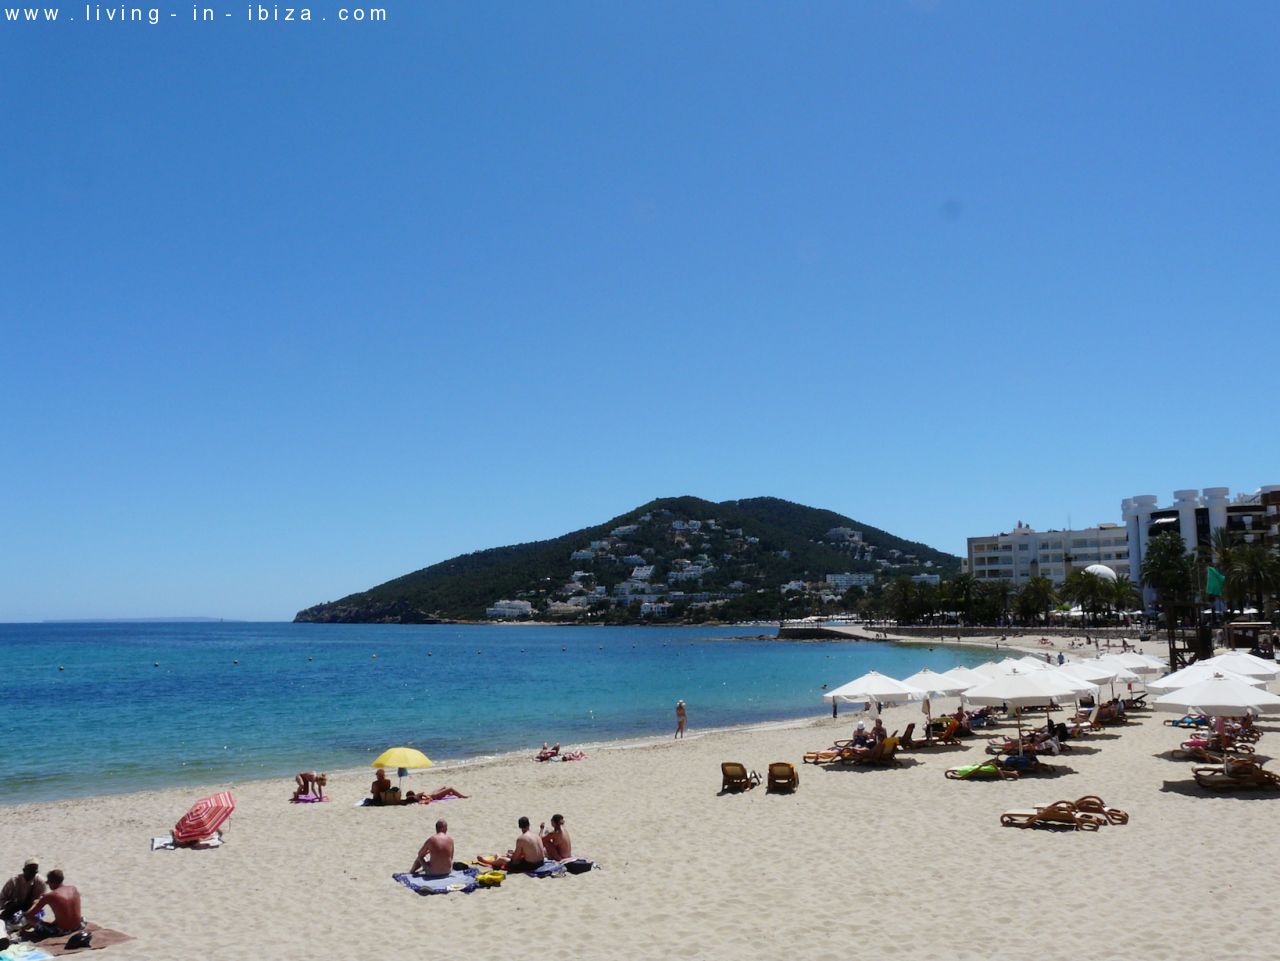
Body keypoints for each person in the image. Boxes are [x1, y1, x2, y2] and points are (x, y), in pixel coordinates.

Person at [17, 869, 82, 940]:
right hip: (77, 926)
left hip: (62, 931)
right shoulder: (73, 889)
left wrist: (35, 904)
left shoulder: (50, 895)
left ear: (52, 883)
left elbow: (29, 915)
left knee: (29, 919)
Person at [1, 860, 46, 924]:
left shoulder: (40, 882)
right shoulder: (13, 881)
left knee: (39, 916)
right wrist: (8, 904)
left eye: (34, 871)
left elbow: (42, 901)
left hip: (32, 909)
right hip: (14, 908)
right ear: (24, 870)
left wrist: (32, 909)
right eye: (30, 871)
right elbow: (2, 898)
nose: (32, 873)